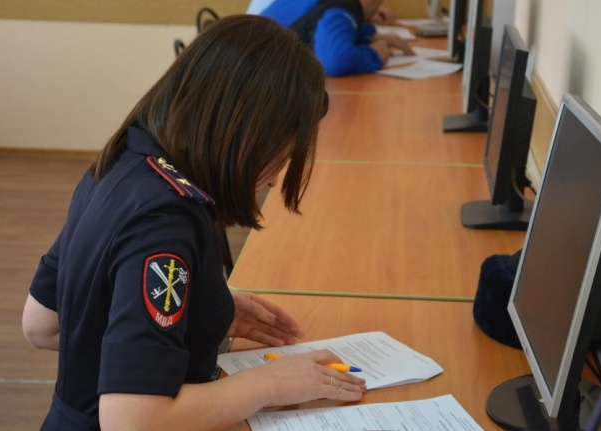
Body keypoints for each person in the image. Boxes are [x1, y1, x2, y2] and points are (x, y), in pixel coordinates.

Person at [21, 15, 366, 431]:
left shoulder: (123, 159)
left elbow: (42, 324)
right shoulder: (166, 220)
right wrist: (271, 383)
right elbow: (132, 421)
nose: (275, 180)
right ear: (246, 134)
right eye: (279, 158)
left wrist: (197, 313)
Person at [260, 0, 413, 77]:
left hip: (257, 74)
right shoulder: (339, 7)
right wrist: (375, 54)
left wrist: (368, 36)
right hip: (263, 83)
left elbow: (315, 25)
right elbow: (336, 60)